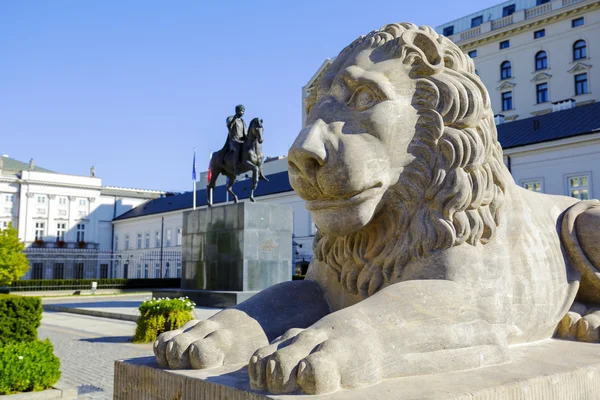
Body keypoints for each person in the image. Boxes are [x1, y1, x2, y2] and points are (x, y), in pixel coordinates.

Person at [226, 104, 247, 175]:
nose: (243, 112)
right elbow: (228, 125)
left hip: (242, 140)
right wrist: (234, 119)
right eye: (241, 111)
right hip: (234, 140)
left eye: (244, 111)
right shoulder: (231, 118)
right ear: (237, 111)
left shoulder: (242, 121)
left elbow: (245, 132)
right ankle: (236, 168)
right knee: (237, 148)